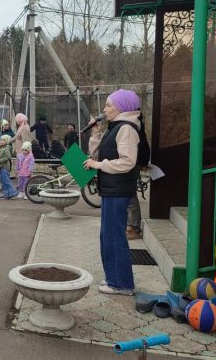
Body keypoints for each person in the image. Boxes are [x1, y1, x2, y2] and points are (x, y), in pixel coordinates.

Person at [84, 89, 142, 296]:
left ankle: (122, 284)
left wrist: (99, 165)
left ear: (122, 107)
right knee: (108, 236)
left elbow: (127, 162)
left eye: (108, 105)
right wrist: (96, 134)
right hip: (111, 189)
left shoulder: (126, 128)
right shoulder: (116, 127)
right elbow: (97, 154)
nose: (104, 109)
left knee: (114, 237)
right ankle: (114, 279)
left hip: (118, 190)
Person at [0, 134, 19, 200]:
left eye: (3, 140)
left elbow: (8, 157)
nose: (2, 141)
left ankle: (12, 192)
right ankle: (6, 194)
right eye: (1, 140)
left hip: (5, 167)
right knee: (3, 181)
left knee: (6, 180)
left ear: (7, 141)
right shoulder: (1, 148)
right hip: (1, 166)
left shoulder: (6, 148)